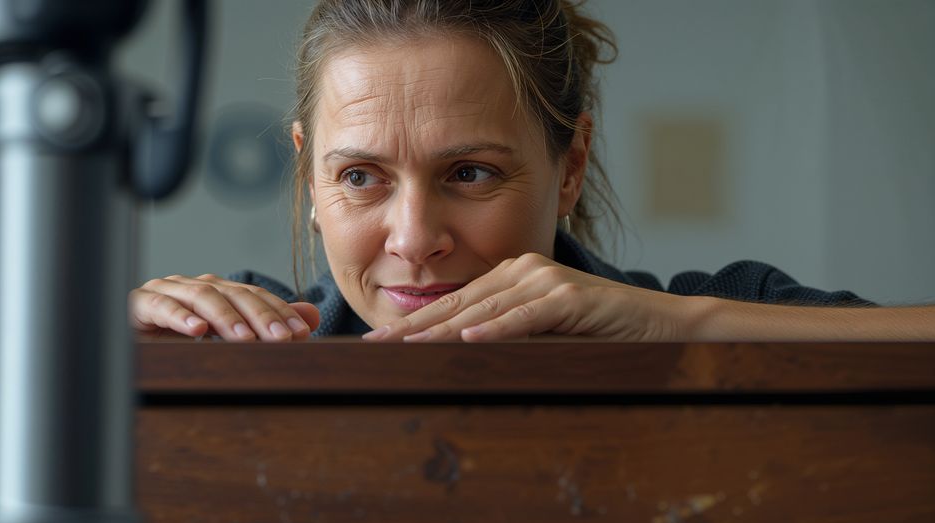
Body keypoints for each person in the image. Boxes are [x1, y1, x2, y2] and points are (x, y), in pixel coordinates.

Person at [129, 0, 933, 342]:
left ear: (570, 165)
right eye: (361, 177)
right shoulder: (241, 335)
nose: (414, 240)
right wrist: (96, 341)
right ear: (311, 180)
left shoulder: (711, 310)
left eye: (470, 174)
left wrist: (683, 328)